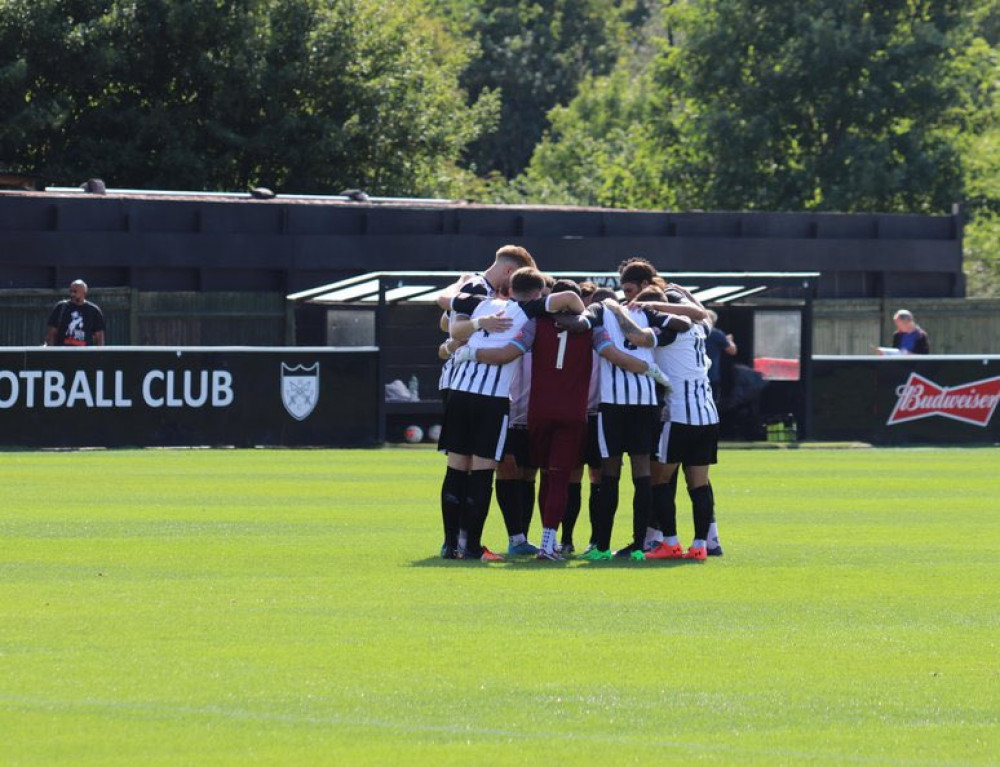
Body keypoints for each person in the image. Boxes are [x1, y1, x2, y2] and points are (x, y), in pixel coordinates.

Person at [439, 267, 586, 561]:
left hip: (458, 391)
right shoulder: (528, 308)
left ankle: (450, 543)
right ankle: (472, 547)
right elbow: (570, 297)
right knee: (481, 473)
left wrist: (462, 286)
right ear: (536, 293)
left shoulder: (481, 302)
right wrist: (581, 313)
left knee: (456, 469)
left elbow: (444, 303)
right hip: (490, 398)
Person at [45, 279, 105, 346]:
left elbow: (99, 336)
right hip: (62, 352)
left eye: (75, 291)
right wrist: (52, 352)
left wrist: (100, 354)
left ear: (84, 292)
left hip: (84, 354)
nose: (72, 294)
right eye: (71, 291)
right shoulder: (61, 307)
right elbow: (51, 333)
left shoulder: (93, 310)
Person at [705, 309, 737, 405]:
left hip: (692, 375)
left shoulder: (690, 331)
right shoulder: (716, 334)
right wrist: (729, 340)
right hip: (711, 377)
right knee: (711, 404)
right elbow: (732, 351)